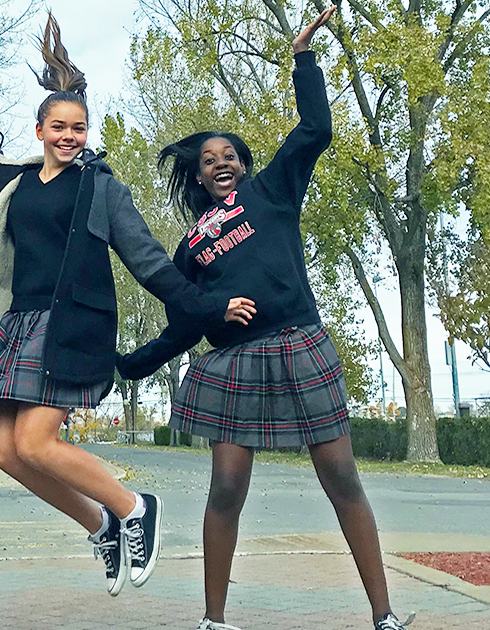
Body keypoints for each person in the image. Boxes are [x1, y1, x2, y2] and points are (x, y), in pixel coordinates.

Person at [0, 13, 255, 596]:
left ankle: (134, 506)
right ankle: (100, 523)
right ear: (40, 130)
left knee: (35, 443)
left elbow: (149, 260)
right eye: (58, 127)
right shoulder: (10, 186)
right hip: (17, 325)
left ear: (85, 132)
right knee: (6, 453)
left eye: (78, 128)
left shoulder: (101, 188)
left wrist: (206, 307)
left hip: (70, 325)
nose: (69, 136)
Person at [118, 7, 413, 630]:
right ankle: (214, 620)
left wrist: (303, 55)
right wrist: (129, 364)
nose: (220, 161)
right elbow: (182, 326)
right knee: (226, 486)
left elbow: (313, 129)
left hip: (298, 343)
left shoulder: (272, 192)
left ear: (244, 166)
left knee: (340, 475)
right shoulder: (192, 246)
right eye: (207, 159)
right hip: (234, 363)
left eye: (229, 154)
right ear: (197, 176)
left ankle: (384, 615)